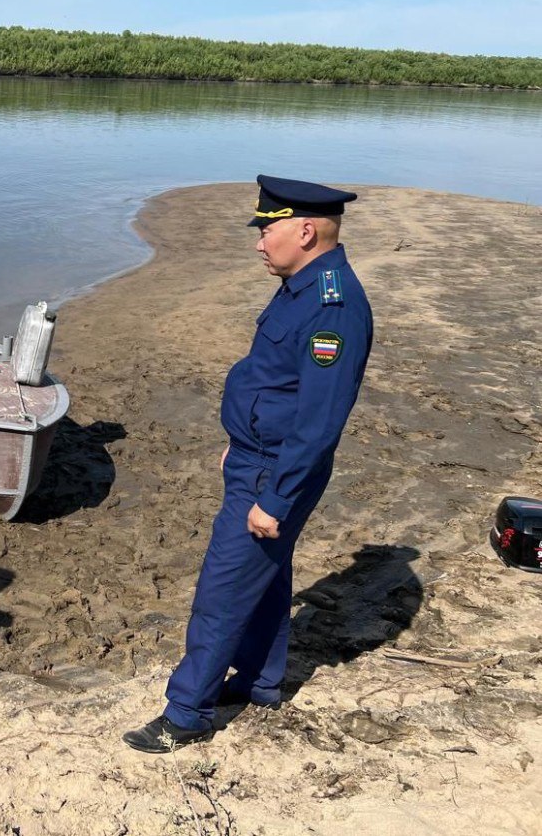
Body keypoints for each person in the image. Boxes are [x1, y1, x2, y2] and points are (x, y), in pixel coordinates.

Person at [123, 176, 374, 753]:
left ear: (305, 231)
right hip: (258, 459)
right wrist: (241, 440)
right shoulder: (301, 285)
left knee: (224, 590)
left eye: (268, 229)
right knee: (265, 579)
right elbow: (275, 383)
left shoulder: (334, 306)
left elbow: (318, 423)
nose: (259, 241)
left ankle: (186, 714)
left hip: (275, 473)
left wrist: (275, 498)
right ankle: (261, 682)